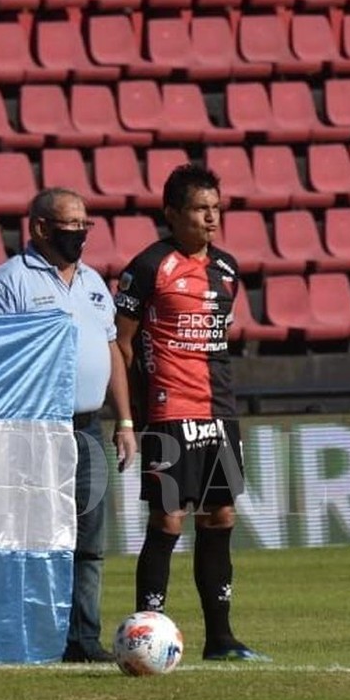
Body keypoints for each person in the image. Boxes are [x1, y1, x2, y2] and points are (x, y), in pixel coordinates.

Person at [114, 164, 266, 662]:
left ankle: (220, 638)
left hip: (219, 410)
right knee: (169, 521)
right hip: (169, 412)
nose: (211, 219)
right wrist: (136, 412)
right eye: (201, 209)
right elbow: (124, 343)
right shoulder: (147, 267)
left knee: (220, 515)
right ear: (172, 213)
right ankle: (144, 634)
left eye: (216, 209)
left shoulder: (226, 269)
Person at [0, 188, 138, 663]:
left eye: (86, 225)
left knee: (88, 538)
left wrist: (125, 420)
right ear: (42, 228)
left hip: (87, 428)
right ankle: (26, 634)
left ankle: (82, 640)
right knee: (32, 535)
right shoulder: (9, 281)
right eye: (72, 225)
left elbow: (111, 349)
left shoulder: (92, 282)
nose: (81, 234)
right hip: (35, 430)